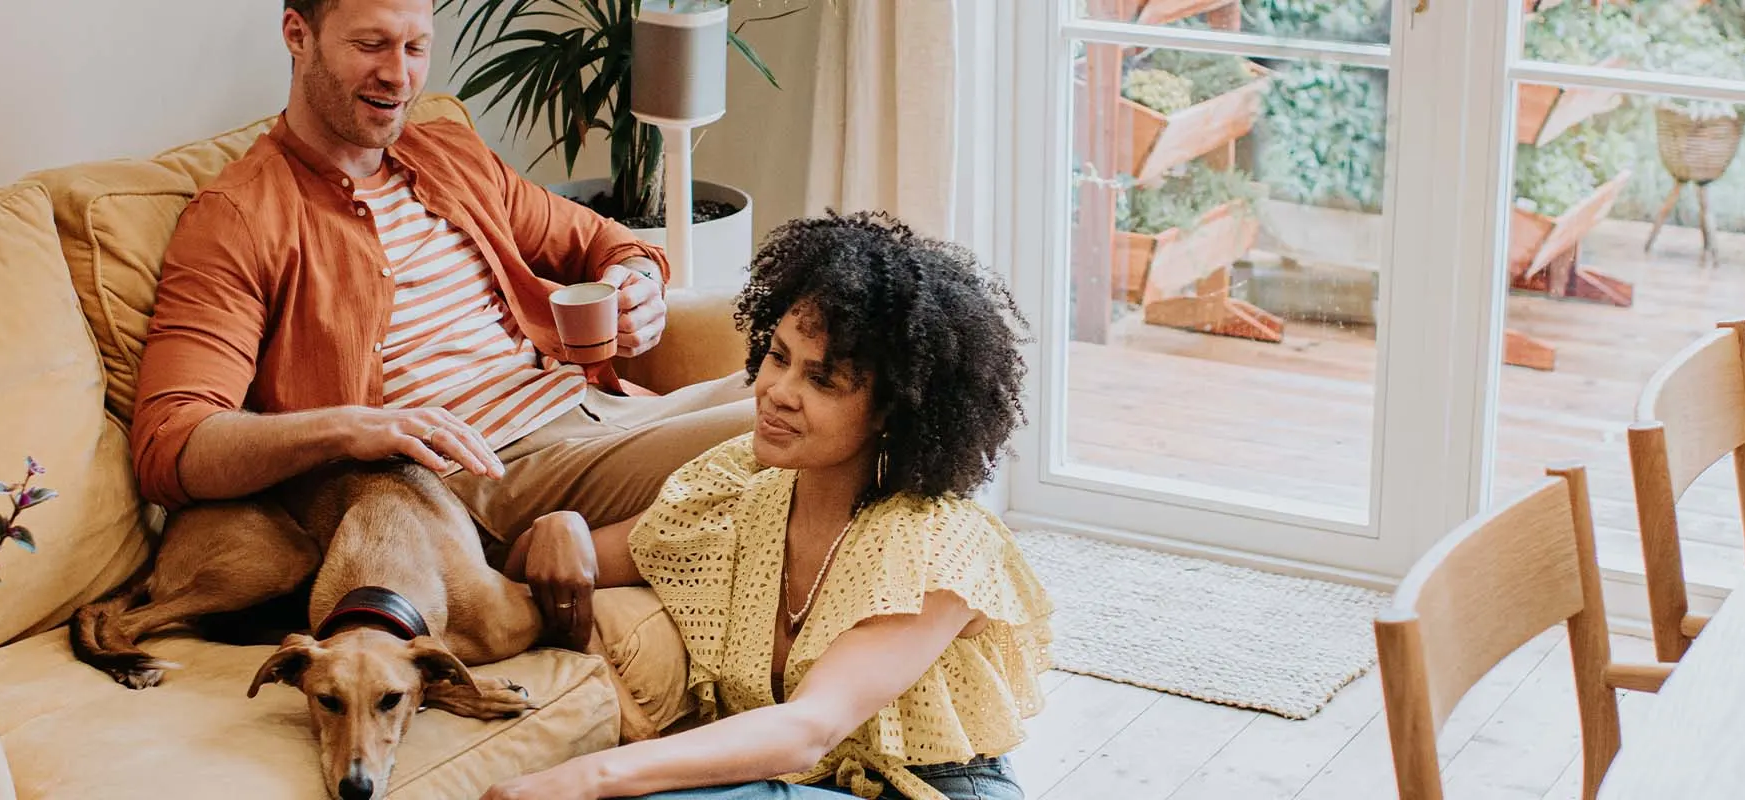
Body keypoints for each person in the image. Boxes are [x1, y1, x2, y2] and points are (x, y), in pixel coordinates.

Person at [130, 0, 754, 572]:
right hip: (476, 475)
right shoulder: (238, 216)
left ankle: (592, 554)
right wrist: (350, 427)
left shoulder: (449, 154)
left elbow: (605, 241)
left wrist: (637, 281)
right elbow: (173, 443)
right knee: (793, 426)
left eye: (415, 47)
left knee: (812, 383)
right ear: (299, 35)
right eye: (371, 45)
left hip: (597, 408)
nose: (398, 76)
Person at [487, 212, 1054, 800]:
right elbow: (551, 567)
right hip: (796, 783)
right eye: (779, 357)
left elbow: (809, 728)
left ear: (893, 410)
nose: (778, 392)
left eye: (823, 380)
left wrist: (582, 779)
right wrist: (558, 528)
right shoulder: (736, 488)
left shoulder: (937, 542)